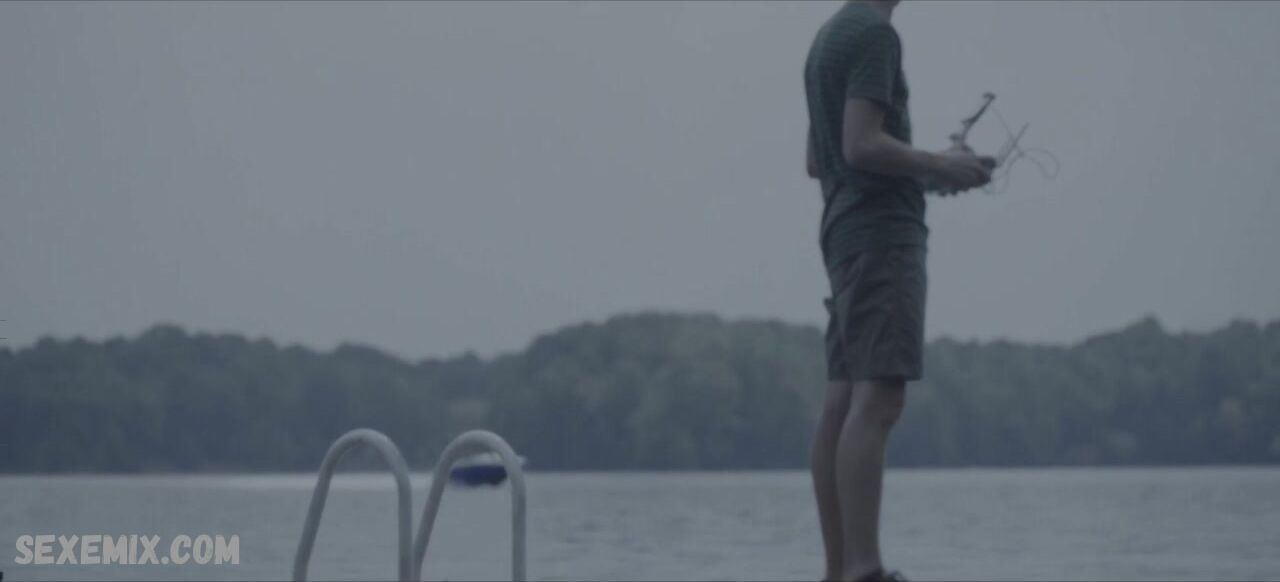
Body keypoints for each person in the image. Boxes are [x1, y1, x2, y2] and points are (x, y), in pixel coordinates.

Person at [802, 1, 995, 581]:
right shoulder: (875, 35)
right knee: (879, 399)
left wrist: (927, 175)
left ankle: (840, 571)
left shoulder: (830, 35)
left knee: (843, 401)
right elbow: (861, 145)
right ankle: (864, 570)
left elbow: (821, 160)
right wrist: (941, 165)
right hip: (881, 238)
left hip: (844, 232)